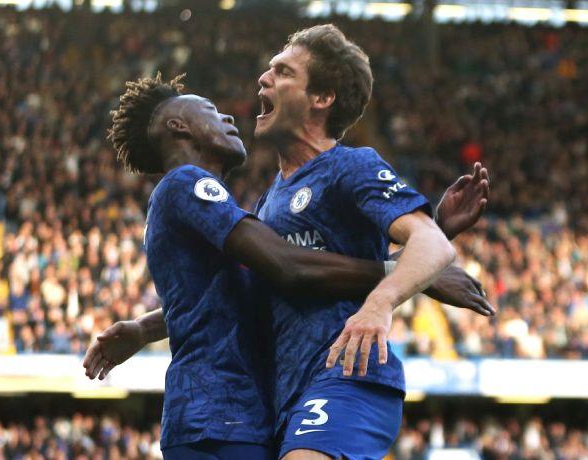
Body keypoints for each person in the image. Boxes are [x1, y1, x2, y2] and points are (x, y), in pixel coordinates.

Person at [83, 74, 491, 459]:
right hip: (219, 415)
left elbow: (226, 296)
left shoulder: (216, 212)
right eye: (209, 109)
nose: (227, 116)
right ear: (179, 127)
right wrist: (411, 277)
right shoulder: (185, 183)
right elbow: (287, 266)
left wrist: (431, 237)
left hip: (233, 418)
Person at [253, 24, 491, 459]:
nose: (264, 79)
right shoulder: (269, 200)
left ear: (321, 98)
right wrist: (142, 328)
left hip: (350, 374)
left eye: (283, 71)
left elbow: (433, 246)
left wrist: (379, 304)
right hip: (286, 393)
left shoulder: (350, 166)